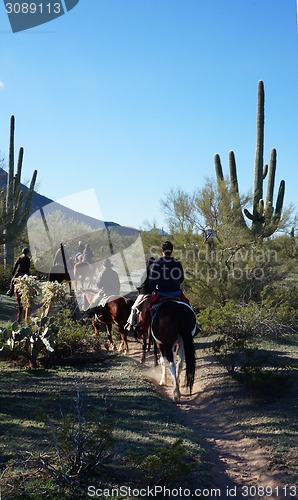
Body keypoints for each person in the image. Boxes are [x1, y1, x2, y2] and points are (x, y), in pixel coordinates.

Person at [138, 241, 190, 332]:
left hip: (162, 294)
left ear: (162, 250)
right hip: (176, 293)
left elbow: (151, 281)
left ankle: (143, 328)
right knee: (188, 305)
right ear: (172, 251)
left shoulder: (157, 263)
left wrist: (155, 290)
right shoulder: (177, 263)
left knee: (148, 309)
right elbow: (181, 279)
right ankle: (195, 325)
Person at [125, 256, 155, 331]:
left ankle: (131, 324)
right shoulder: (156, 273)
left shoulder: (145, 273)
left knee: (134, 308)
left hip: (144, 293)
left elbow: (142, 284)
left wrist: (139, 287)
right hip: (153, 293)